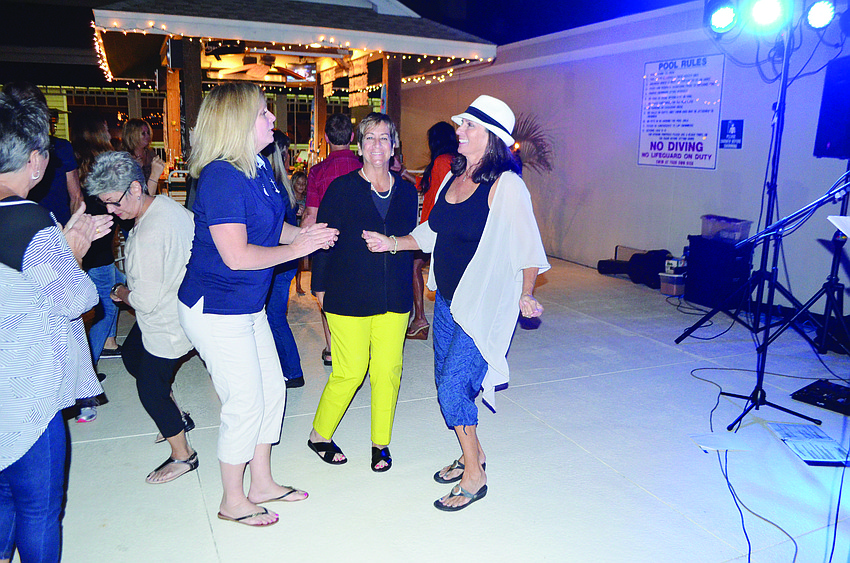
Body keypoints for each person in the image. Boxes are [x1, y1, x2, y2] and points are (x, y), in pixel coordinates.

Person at [363, 95, 550, 510]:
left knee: (452, 386)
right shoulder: (454, 174)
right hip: (446, 301)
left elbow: (528, 246)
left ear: (492, 138)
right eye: (461, 124)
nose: (459, 131)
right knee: (448, 383)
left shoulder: (507, 186)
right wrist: (392, 243)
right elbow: (433, 231)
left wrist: (526, 293)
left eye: (469, 126)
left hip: (481, 305)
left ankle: (474, 474)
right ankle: (475, 452)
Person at [177, 83, 337, 527]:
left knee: (273, 387)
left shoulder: (257, 167)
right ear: (238, 124)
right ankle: (232, 499)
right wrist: (298, 249)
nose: (272, 120)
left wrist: (307, 236)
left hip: (247, 303)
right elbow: (238, 255)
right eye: (264, 114)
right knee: (244, 400)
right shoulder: (221, 177)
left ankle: (262, 482)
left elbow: (275, 228)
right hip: (215, 305)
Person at [0, 92, 112, 563]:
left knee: (4, 498)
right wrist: (75, 252)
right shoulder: (30, 222)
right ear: (33, 161)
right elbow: (78, 299)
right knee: (40, 509)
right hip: (28, 390)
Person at [307, 112, 417, 472]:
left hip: (393, 297)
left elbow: (412, 242)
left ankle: (380, 443)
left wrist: (394, 246)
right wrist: (318, 286)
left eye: (384, 138)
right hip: (347, 294)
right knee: (350, 370)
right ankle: (319, 435)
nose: (377, 146)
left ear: (394, 145)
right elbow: (323, 239)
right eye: (369, 138)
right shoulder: (341, 189)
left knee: (388, 370)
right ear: (359, 145)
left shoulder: (406, 191)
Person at [85, 151, 198, 484]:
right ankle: (176, 417)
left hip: (167, 320)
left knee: (150, 387)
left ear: (135, 188)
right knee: (133, 354)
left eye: (114, 202)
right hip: (179, 305)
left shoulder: (149, 236)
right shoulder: (165, 205)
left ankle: (184, 456)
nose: (110, 210)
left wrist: (120, 293)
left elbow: (144, 301)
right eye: (105, 204)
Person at [73, 114, 124, 415]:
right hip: (100, 248)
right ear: (97, 133)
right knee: (104, 311)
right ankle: (85, 383)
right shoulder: (104, 164)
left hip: (83, 247)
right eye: (104, 127)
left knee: (93, 311)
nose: (109, 129)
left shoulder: (73, 162)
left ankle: (87, 371)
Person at [302, 112, 362, 365]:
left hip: (328, 242)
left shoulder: (317, 171)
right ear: (351, 137)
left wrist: (302, 243)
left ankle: (332, 350)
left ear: (326, 138)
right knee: (358, 294)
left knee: (326, 295)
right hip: (361, 242)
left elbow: (310, 214)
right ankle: (358, 347)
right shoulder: (364, 167)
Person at [2, 82, 83, 228]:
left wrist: (73, 230)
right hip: (17, 227)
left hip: (56, 227)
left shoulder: (60, 147)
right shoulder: (6, 149)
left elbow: (76, 197)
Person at [261, 130, 305, 389]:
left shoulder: (273, 184)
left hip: (279, 259)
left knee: (274, 316)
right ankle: (287, 369)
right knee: (272, 316)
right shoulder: (281, 183)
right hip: (282, 259)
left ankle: (292, 371)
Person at [408, 122, 459, 340]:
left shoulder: (441, 161)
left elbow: (438, 192)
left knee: (414, 266)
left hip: (432, 226)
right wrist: (405, 174)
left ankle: (420, 318)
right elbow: (427, 185)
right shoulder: (453, 160)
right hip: (440, 226)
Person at [122, 118, 165, 194]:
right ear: (132, 135)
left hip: (152, 195)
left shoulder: (150, 153)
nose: (147, 136)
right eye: (143, 133)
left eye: (148, 133)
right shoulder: (125, 158)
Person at [291, 171, 308, 295]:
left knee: (300, 261)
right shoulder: (290, 198)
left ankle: (298, 284)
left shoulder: (307, 198)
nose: (301, 186)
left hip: (302, 229)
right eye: (298, 184)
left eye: (303, 184)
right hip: (291, 229)